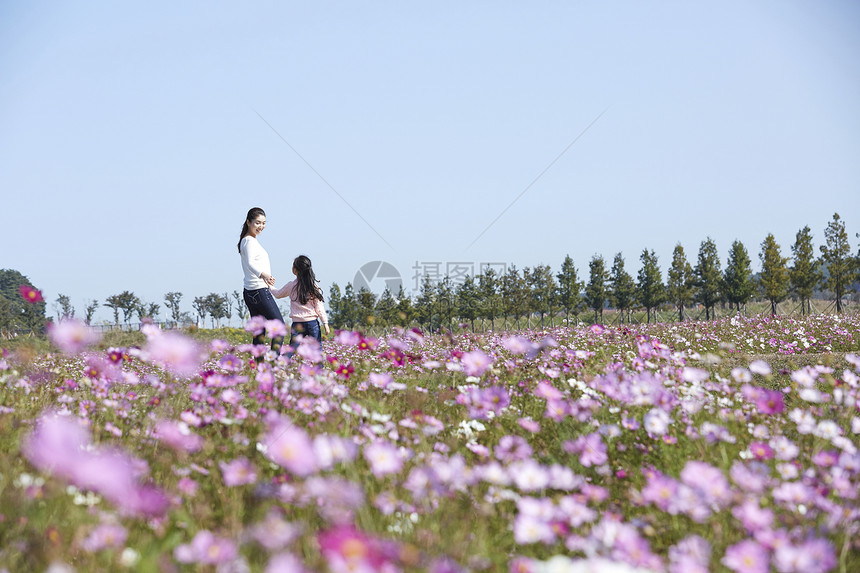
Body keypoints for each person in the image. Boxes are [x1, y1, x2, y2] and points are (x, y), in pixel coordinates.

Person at [238, 207, 284, 352]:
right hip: (259, 291)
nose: (261, 226)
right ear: (248, 222)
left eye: (263, 223)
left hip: (250, 291)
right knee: (279, 328)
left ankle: (259, 367)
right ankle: (272, 364)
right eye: (257, 223)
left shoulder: (246, 241)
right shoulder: (249, 241)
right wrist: (263, 275)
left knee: (259, 332)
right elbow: (251, 263)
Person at [270, 255, 330, 348]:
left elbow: (278, 294)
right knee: (317, 350)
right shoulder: (313, 286)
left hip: (297, 324)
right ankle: (319, 363)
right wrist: (325, 323)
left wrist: (269, 285)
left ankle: (284, 362)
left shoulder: (291, 286)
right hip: (312, 323)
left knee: (292, 349)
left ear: (295, 269)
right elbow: (319, 307)